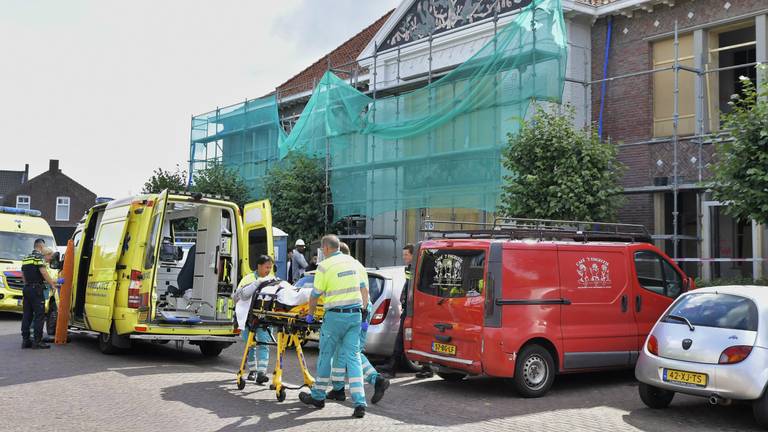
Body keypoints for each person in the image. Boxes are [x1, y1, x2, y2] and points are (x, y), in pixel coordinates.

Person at [299, 235, 369, 418]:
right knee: (353, 358)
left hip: (334, 317)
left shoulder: (324, 266)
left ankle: (318, 397)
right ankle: (360, 402)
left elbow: (314, 295)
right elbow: (364, 290)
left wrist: (310, 315)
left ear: (326, 249)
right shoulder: (354, 263)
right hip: (355, 315)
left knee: (326, 356)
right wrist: (364, 313)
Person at [327, 242, 389, 405]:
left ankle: (377, 380)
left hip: (357, 312)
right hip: (362, 312)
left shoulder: (345, 267)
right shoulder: (357, 265)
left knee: (352, 352)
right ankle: (338, 389)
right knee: (342, 351)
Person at [385, 244, 434, 378]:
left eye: (406, 255)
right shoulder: (413, 268)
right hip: (412, 308)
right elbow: (408, 286)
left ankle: (392, 368)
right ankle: (426, 367)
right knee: (410, 337)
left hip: (416, 309)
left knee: (402, 337)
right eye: (403, 255)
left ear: (414, 255)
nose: (404, 257)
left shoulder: (419, 268)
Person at [233, 255, 278, 385]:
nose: (269, 270)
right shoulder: (248, 279)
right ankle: (253, 370)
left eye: (270, 267)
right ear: (259, 266)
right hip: (248, 318)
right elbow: (237, 296)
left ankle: (261, 373)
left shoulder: (271, 280)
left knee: (263, 344)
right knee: (250, 345)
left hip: (264, 318)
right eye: (266, 267)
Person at [20, 241, 58, 349]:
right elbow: (44, 272)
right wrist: (52, 285)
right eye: (44, 246)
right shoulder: (38, 257)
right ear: (41, 246)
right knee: (39, 316)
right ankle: (37, 341)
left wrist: (27, 285)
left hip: (27, 288)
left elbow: (23, 275)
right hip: (36, 289)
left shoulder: (26, 258)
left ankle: (25, 340)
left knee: (27, 315)